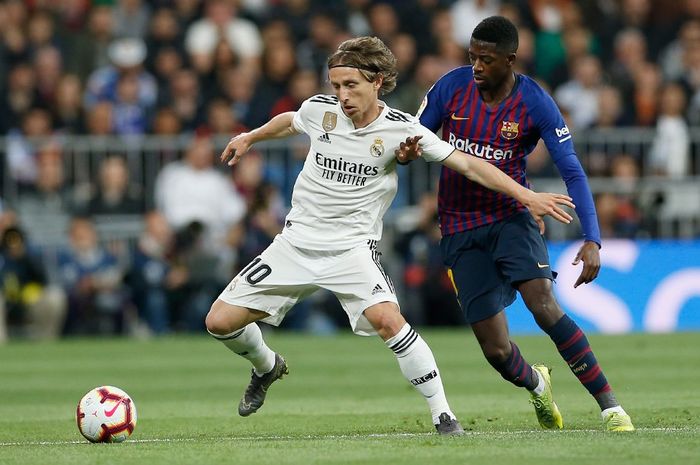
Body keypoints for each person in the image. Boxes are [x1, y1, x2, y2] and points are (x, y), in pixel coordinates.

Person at [204, 36, 574, 435]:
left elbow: (468, 165)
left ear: (377, 82)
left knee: (388, 320)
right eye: (336, 86)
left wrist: (525, 195)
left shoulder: (402, 132)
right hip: (295, 244)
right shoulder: (320, 111)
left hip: (351, 249)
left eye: (351, 85)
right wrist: (250, 137)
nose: (342, 95)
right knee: (219, 322)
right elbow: (291, 120)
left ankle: (443, 415)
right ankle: (267, 366)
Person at [407, 16, 634, 432]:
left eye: (486, 59)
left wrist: (592, 238)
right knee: (495, 350)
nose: (476, 66)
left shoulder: (534, 102)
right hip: (458, 226)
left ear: (510, 60)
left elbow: (572, 170)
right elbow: (412, 138)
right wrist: (405, 151)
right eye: (472, 56)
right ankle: (536, 383)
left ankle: (610, 407)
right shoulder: (450, 88)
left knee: (544, 306)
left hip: (512, 216)